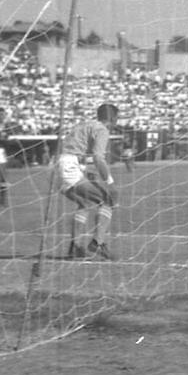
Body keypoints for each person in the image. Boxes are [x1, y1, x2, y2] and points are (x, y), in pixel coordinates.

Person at [57, 102, 119, 260]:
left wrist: (84, 169)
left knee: (84, 203)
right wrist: (110, 183)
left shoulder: (84, 124)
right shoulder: (101, 130)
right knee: (107, 199)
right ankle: (97, 243)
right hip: (70, 166)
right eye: (116, 119)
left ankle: (75, 247)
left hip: (59, 166)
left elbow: (73, 147)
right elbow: (98, 158)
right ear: (112, 118)